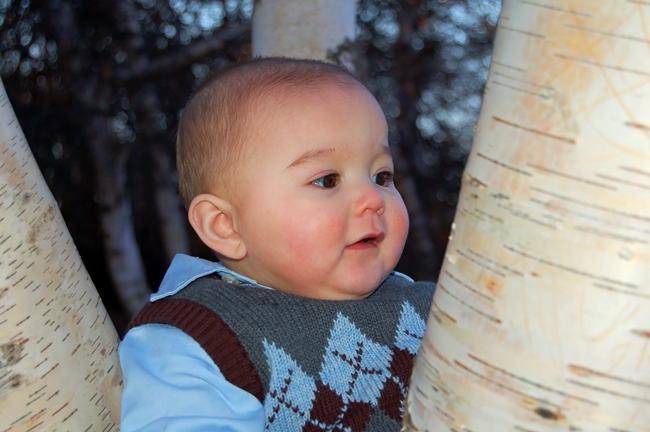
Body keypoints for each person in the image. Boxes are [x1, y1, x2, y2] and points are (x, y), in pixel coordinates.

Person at [119, 57, 435, 431]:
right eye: (327, 180)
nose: (374, 197)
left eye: (382, 175)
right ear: (226, 227)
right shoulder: (197, 338)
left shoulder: (429, 310)